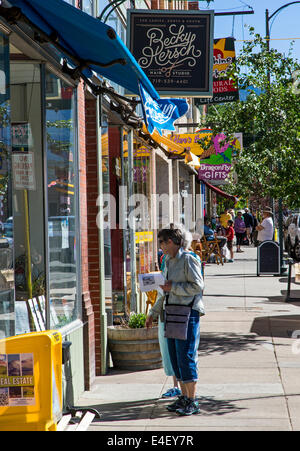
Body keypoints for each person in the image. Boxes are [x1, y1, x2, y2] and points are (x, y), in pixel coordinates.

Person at [146, 225, 204, 416]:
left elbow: (197, 286)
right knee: (175, 357)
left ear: (170, 242)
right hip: (171, 312)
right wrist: (153, 313)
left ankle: (192, 400)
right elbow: (164, 291)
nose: (160, 247)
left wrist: (174, 287)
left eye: (161, 243)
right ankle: (184, 397)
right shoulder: (168, 261)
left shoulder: (188, 259)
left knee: (186, 356)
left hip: (187, 313)